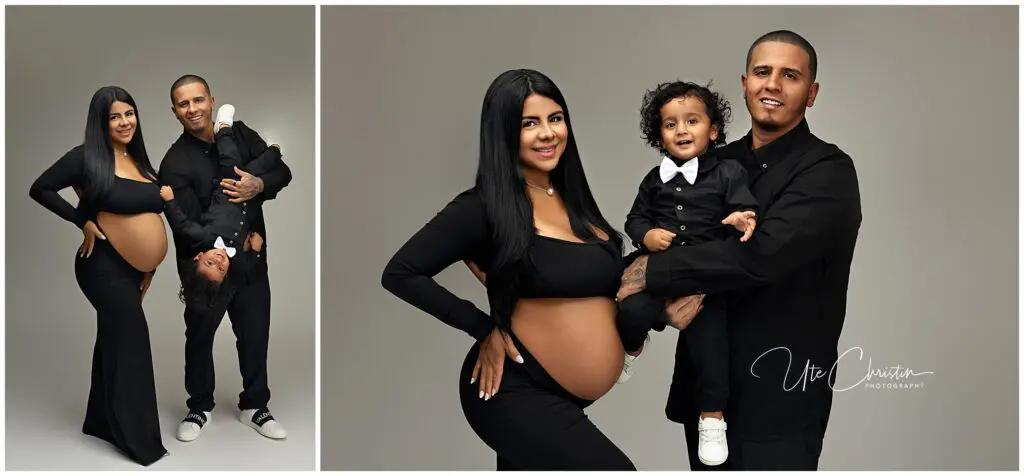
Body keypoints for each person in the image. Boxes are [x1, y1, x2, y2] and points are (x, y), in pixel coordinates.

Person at [616, 30, 862, 470]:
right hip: (707, 390)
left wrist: (650, 272)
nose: (773, 84)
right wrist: (654, 304)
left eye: (790, 75)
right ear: (745, 82)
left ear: (812, 93)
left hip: (779, 398)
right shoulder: (709, 162)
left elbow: (759, 257)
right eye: (763, 72)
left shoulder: (829, 172)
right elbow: (675, 233)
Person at [382, 69, 637, 470]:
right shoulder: (483, 206)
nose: (548, 133)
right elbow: (401, 272)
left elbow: (592, 282)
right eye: (528, 124)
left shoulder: (573, 200)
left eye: (555, 118)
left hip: (561, 396)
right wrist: (482, 328)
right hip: (513, 390)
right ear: (502, 133)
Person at [617, 80, 758, 466]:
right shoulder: (653, 179)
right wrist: (645, 234)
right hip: (654, 272)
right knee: (628, 312)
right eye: (670, 124)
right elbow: (634, 219)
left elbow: (744, 206)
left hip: (702, 282)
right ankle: (631, 348)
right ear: (658, 135)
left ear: (712, 130)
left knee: (710, 349)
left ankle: (712, 419)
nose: (681, 130)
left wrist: (740, 215)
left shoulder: (728, 171)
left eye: (692, 121)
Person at [29, 86, 168, 465]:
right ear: (100, 122)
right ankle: (139, 443)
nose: (124, 122)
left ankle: (100, 421)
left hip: (132, 270)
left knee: (113, 337)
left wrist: (148, 265)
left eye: (129, 113)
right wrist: (82, 220)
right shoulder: (87, 158)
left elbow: (149, 218)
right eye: (114, 116)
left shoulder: (139, 161)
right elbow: (40, 188)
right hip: (101, 266)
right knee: (132, 339)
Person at [159, 74, 292, 442]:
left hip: (250, 261)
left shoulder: (241, 134)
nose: (192, 109)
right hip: (208, 265)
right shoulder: (175, 161)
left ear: (211, 101)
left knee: (254, 334)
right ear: (175, 112)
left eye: (198, 100)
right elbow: (186, 227)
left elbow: (282, 172)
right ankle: (199, 406)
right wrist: (217, 257)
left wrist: (259, 185)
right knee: (200, 338)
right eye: (183, 104)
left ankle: (255, 406)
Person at [160, 103, 281, 298]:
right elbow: (247, 269)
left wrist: (169, 200)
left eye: (210, 263)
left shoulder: (204, 238)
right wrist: (255, 250)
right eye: (221, 268)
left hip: (225, 190)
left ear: (199, 257)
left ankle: (223, 128)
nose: (218, 261)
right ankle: (274, 153)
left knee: (230, 160)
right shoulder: (236, 257)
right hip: (246, 201)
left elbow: (181, 224)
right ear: (226, 274)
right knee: (256, 168)